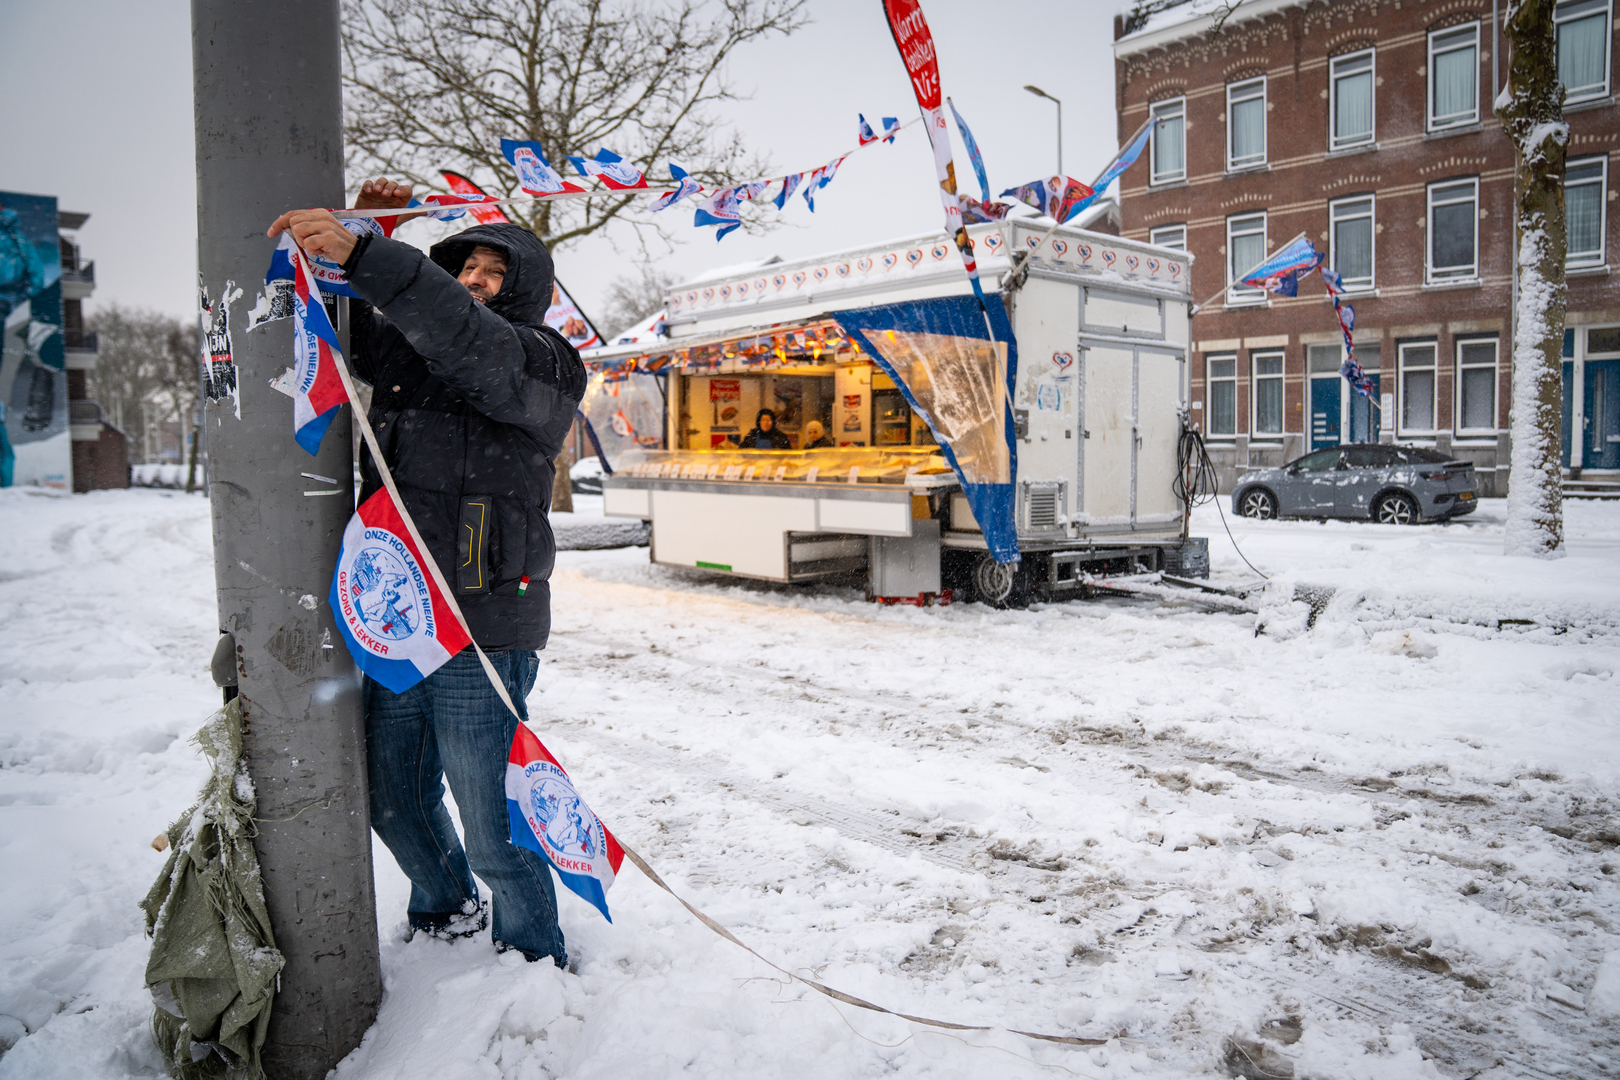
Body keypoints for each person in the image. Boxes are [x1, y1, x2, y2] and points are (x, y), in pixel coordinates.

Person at [267, 178, 586, 967]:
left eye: (490, 273)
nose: (473, 281)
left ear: (527, 290)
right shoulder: (415, 349)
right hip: (402, 617)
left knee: (490, 819)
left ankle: (532, 959)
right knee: (393, 799)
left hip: (485, 627)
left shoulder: (544, 363)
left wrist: (381, 256)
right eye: (464, 269)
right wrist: (369, 229)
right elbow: (333, 307)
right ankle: (446, 914)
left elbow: (468, 340)